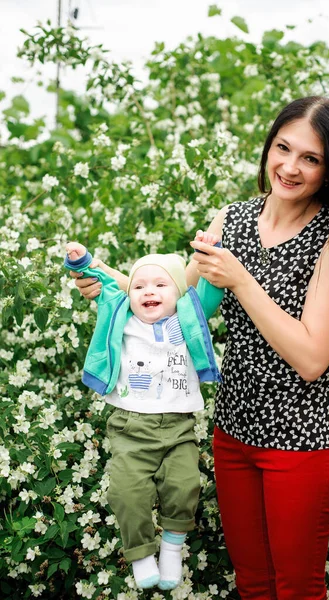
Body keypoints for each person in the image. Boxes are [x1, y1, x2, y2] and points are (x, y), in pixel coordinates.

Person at [71, 96, 329, 600]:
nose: (290, 166)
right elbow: (174, 306)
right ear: (268, 146)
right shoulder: (232, 219)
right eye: (283, 148)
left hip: (299, 444)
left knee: (297, 588)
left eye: (311, 158)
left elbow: (311, 358)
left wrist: (241, 280)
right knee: (254, 585)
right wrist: (108, 286)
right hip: (233, 435)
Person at [64, 242, 223, 591]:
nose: (148, 291)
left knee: (185, 486)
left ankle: (171, 547)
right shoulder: (122, 314)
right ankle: (139, 553)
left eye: (160, 284)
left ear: (179, 292)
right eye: (139, 285)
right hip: (131, 427)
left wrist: (214, 253)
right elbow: (102, 283)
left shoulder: (188, 317)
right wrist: (81, 261)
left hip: (178, 426)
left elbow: (211, 287)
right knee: (125, 492)